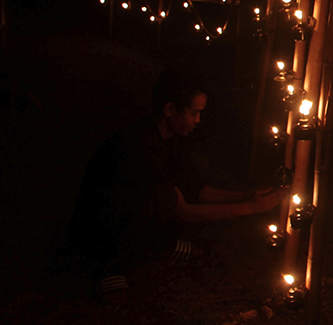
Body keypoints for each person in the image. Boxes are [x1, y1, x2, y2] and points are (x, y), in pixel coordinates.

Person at [71, 67, 286, 304]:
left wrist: (245, 195)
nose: (198, 121)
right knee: (161, 200)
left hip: (137, 211)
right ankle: (109, 266)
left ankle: (158, 244)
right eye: (194, 113)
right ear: (170, 109)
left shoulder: (171, 136)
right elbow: (184, 211)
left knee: (191, 172)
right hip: (102, 226)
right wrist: (251, 207)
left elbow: (197, 189)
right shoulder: (141, 148)